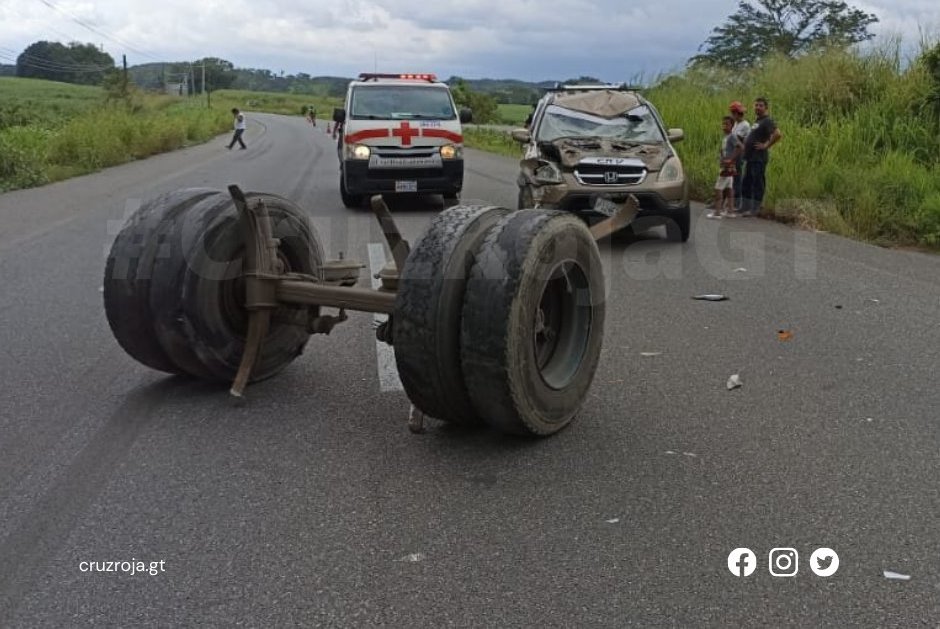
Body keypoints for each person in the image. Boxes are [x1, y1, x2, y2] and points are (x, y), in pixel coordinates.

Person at [738, 97, 782, 216]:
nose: (757, 107)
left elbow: (777, 134)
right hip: (750, 157)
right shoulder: (758, 120)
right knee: (747, 182)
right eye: (756, 105)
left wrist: (766, 145)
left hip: (759, 158)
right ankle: (745, 207)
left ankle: (755, 209)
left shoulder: (767, 120)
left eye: (760, 105)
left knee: (757, 183)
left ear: (766, 108)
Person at [708, 116, 738, 219]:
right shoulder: (726, 137)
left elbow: (740, 147)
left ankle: (717, 212)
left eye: (727, 124)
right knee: (729, 188)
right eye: (723, 124)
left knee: (718, 188)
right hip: (727, 165)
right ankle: (730, 210)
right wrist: (722, 155)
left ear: (732, 126)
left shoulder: (731, 137)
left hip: (727, 166)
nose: (724, 126)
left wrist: (730, 159)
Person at [728, 101, 750, 210]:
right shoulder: (737, 124)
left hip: (738, 154)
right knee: (731, 177)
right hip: (733, 153)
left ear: (736, 113)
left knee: (736, 178)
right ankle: (731, 201)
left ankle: (737, 203)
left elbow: (738, 143)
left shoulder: (744, 125)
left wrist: (732, 157)